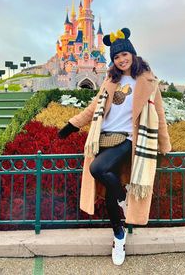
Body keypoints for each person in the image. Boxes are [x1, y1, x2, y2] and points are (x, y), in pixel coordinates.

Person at [58, 27, 171, 265]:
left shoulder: (148, 81)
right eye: (116, 57)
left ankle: (123, 197)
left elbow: (159, 114)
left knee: (97, 169)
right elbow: (93, 107)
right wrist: (72, 125)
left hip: (129, 138)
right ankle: (119, 237)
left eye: (124, 55)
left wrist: (164, 142)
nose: (121, 60)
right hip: (105, 136)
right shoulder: (110, 80)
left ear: (132, 54)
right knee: (109, 191)